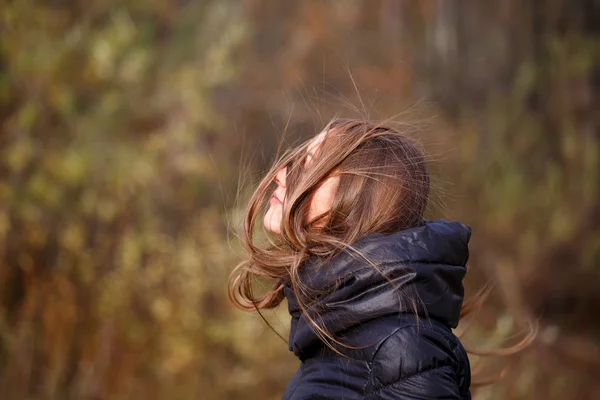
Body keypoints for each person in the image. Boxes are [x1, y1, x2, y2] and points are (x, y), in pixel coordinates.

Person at [228, 118, 483, 399]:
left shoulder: (402, 350)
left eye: (308, 165)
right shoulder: (345, 337)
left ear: (360, 198)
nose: (280, 174)